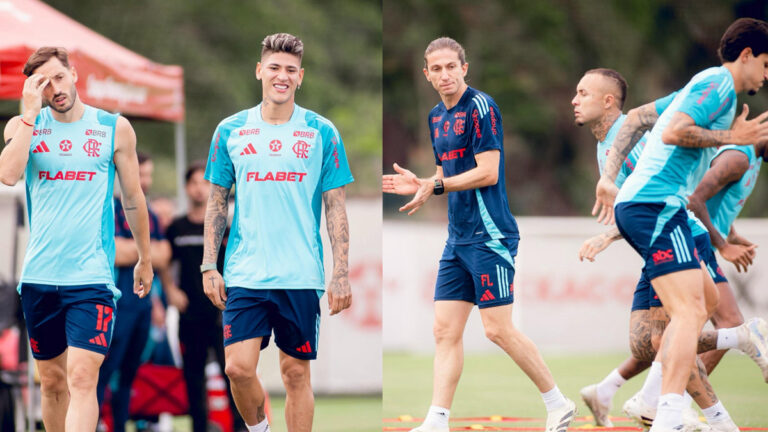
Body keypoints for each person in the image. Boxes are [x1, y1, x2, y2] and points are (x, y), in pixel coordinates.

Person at [382, 37, 575, 432]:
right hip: (458, 238)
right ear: (427, 74)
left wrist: (437, 186)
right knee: (444, 330)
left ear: (464, 68)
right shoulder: (435, 116)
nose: (444, 74)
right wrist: (423, 183)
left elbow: (488, 171)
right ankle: (437, 420)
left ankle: (558, 403)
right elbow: (445, 177)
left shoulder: (482, 108)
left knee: (496, 329)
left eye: (451, 66)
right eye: (436, 68)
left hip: (491, 236)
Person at [592, 18, 768, 431]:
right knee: (689, 312)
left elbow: (636, 118)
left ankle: (732, 365)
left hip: (654, 207)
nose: (766, 73)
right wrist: (731, 137)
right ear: (746, 56)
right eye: (765, 63)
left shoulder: (698, 87)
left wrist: (607, 176)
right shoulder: (718, 85)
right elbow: (674, 133)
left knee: (705, 301)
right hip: (655, 205)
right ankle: (666, 412)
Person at [202, 33, 354, 432]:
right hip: (245, 273)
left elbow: (335, 205)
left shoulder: (322, 132)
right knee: (236, 367)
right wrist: (208, 265)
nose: (281, 76)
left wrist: (340, 272)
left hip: (300, 275)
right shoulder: (230, 130)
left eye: (290, 70)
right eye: (274, 68)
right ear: (259, 71)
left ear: (300, 77)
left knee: (296, 375)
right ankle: (260, 428)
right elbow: (217, 202)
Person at [0, 47, 153, 432]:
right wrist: (30, 114)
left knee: (83, 377)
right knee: (52, 383)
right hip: (39, 276)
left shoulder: (113, 128)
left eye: (59, 76)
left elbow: (133, 198)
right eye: (43, 82)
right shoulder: (24, 126)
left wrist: (145, 257)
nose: (55, 88)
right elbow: (8, 174)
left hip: (91, 279)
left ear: (74, 73)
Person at [164, 162, 246, 432]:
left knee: (233, 373)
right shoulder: (176, 227)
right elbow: (164, 262)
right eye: (194, 183)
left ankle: (240, 426)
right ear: (187, 188)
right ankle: (199, 427)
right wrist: (170, 290)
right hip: (190, 315)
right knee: (193, 378)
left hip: (223, 313)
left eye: (204, 183)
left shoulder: (226, 227)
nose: (199, 189)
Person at [95, 151, 170, 432]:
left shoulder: (149, 215)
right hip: (115, 305)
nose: (146, 181)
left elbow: (163, 255)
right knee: (104, 372)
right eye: (141, 175)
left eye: (149, 175)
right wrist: (146, 253)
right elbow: (111, 252)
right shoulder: (110, 210)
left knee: (129, 375)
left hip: (143, 307)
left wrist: (134, 251)